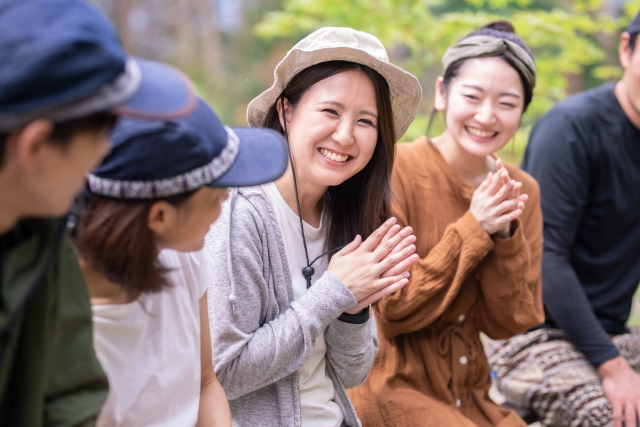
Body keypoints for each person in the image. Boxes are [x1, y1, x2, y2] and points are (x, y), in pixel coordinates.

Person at [205, 27, 422, 426]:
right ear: (287, 112)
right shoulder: (240, 212)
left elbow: (352, 373)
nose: (344, 135)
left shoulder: (344, 214)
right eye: (330, 111)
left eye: (365, 121)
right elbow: (227, 372)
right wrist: (333, 292)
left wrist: (353, 310)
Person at [0, 0, 196, 424]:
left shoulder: (46, 234)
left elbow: (69, 395)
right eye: (104, 132)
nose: (106, 152)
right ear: (35, 146)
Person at [348, 21, 544, 427]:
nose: (487, 116)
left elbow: (509, 322)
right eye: (472, 96)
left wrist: (505, 234)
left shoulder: (521, 189)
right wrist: (476, 226)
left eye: (507, 103)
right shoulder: (396, 168)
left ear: (522, 112)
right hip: (394, 384)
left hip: (469, 393)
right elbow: (393, 309)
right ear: (441, 93)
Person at [73, 97, 288, 426]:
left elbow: (205, 382)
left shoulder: (184, 255)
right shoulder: (69, 328)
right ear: (159, 216)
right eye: (216, 191)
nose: (228, 195)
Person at [487, 11, 640, 427]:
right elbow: (545, 257)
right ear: (627, 49)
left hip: (612, 334)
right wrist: (612, 367)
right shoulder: (573, 127)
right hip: (534, 337)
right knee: (614, 418)